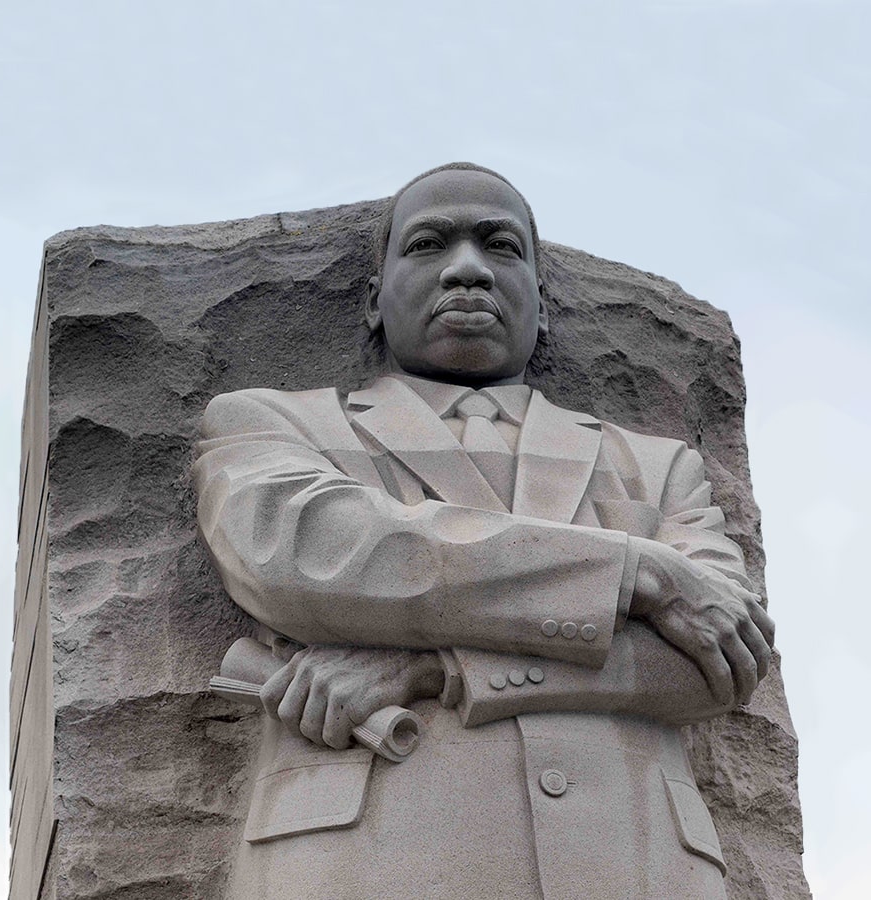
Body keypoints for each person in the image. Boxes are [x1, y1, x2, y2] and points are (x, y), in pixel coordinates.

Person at [193, 162, 774, 899]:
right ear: (374, 301)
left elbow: (718, 662)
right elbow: (314, 554)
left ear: (544, 302)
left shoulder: (660, 469)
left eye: (500, 246)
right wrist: (639, 574)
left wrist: (440, 669)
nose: (466, 269)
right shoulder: (273, 424)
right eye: (429, 244)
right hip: (368, 861)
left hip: (636, 861)